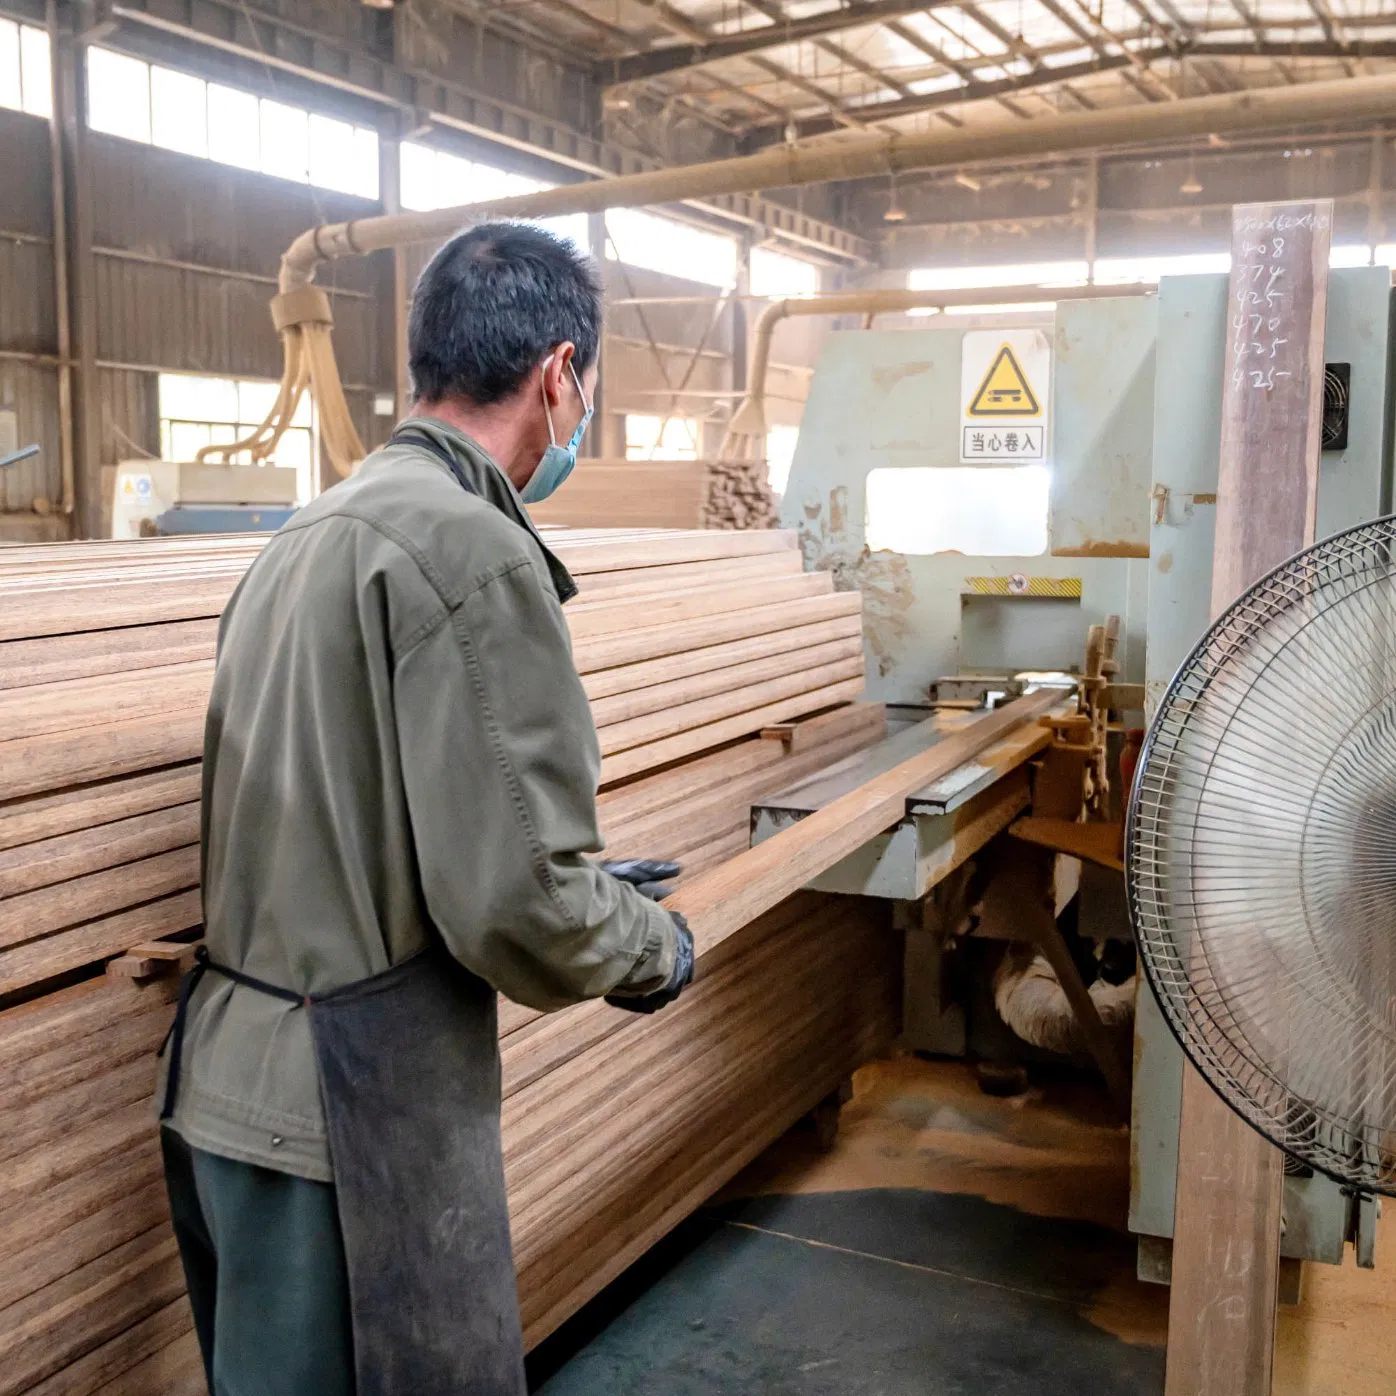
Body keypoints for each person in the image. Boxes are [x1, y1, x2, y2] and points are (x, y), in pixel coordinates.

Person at [157, 221, 693, 1396]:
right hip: (347, 1124)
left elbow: (368, 817)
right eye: (586, 387)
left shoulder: (306, 536)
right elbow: (513, 903)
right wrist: (645, 944)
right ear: (560, 374)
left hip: (227, 1087)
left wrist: (588, 886)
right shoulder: (475, 554)